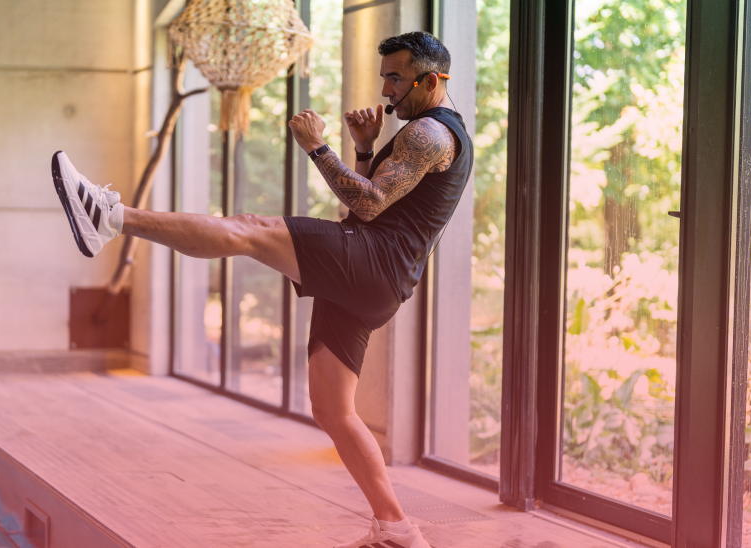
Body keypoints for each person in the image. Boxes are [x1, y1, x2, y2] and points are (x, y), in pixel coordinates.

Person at [51, 31, 471, 548]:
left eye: (396, 79)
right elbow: (364, 206)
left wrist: (317, 146)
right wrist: (363, 150)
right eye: (384, 77)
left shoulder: (429, 133)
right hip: (381, 276)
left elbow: (366, 206)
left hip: (373, 262)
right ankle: (397, 528)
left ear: (430, 80)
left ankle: (110, 216)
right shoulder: (424, 131)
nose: (385, 90)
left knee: (248, 230)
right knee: (332, 410)